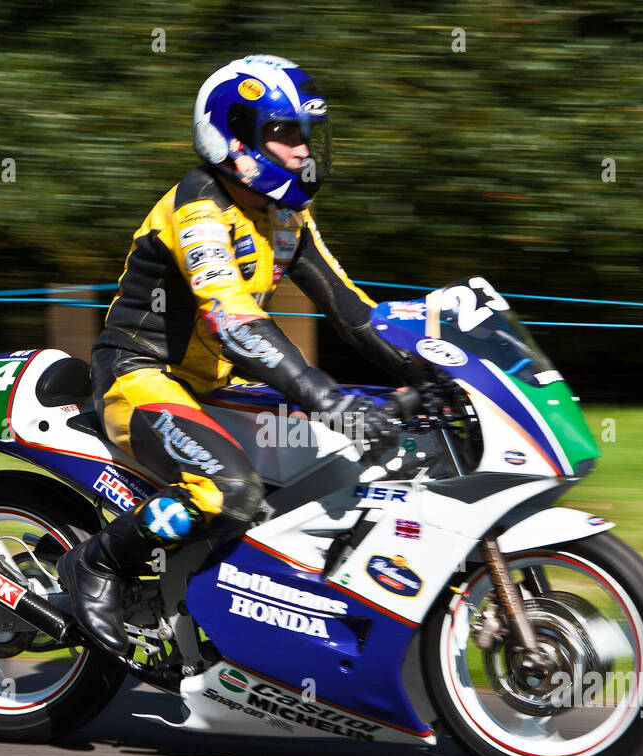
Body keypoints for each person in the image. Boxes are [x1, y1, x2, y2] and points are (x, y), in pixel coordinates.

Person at [58, 54, 425, 656]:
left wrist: (431, 369)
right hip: (140, 375)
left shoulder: (285, 214)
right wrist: (332, 400)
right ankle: (96, 565)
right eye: (284, 133)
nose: (303, 150)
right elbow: (235, 323)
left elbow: (352, 310)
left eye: (305, 134)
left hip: (212, 387)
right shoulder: (197, 207)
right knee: (229, 491)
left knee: (336, 466)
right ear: (233, 137)